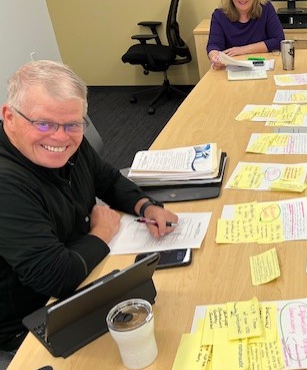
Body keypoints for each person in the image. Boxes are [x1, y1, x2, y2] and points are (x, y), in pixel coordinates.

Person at [0, 60, 178, 352]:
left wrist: (146, 205)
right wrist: (102, 231)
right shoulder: (7, 185)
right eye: (44, 123)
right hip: (31, 322)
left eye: (73, 124)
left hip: (80, 265)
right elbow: (57, 277)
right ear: (9, 117)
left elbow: (107, 179)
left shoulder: (67, 139)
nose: (60, 137)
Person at [207, 0, 285, 70]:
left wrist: (242, 50)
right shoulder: (219, 15)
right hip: (231, 69)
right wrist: (215, 57)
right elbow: (214, 45)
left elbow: (278, 41)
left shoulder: (266, 8)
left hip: (261, 67)